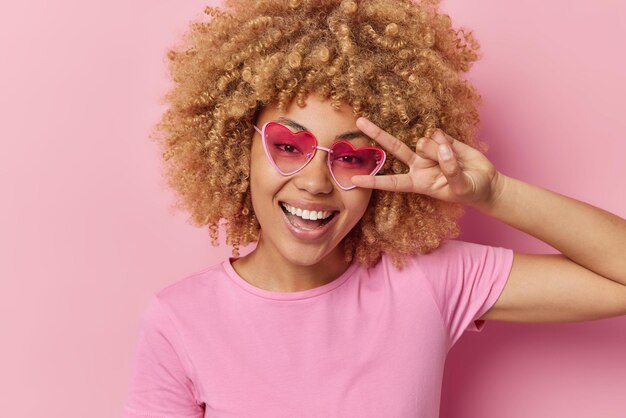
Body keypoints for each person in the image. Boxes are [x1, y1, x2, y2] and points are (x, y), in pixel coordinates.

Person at [123, 0, 626, 416]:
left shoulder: (425, 281)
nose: (316, 183)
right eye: (289, 146)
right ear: (240, 148)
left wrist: (494, 195)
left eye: (351, 157)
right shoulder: (179, 320)